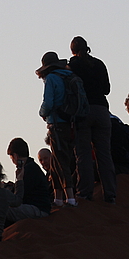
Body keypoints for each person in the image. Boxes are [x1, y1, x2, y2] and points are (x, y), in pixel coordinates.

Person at [68, 36, 117, 204]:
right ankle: (110, 194)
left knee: (83, 155)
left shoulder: (73, 65)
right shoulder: (99, 64)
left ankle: (84, 193)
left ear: (73, 51)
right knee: (104, 154)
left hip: (83, 112)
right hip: (102, 110)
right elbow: (107, 89)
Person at [36, 51, 78, 207]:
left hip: (56, 124)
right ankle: (58, 198)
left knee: (61, 161)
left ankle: (70, 198)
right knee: (56, 162)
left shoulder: (51, 79)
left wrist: (42, 113)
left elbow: (48, 103)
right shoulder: (68, 76)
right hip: (70, 123)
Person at [5, 137, 53, 226]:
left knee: (3, 210)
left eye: (11, 157)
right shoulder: (30, 167)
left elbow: (20, 196)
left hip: (39, 209)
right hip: (38, 208)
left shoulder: (29, 170)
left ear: (15, 156)